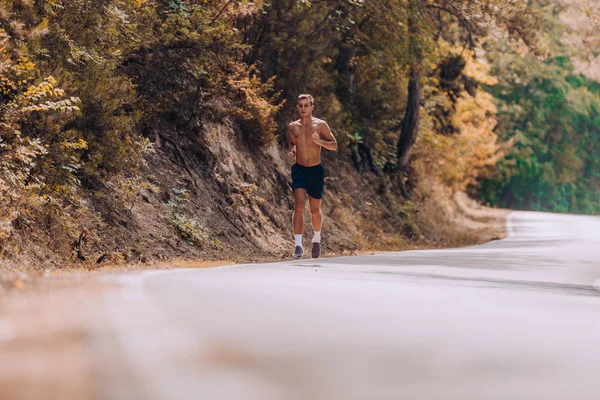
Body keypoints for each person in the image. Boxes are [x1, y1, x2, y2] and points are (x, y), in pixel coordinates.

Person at [288, 94, 338, 259]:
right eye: (300, 106)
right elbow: (292, 142)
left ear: (312, 107)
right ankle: (298, 245)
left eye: (306, 105)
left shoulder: (320, 125)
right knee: (299, 206)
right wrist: (292, 150)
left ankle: (316, 239)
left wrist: (320, 142)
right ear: (297, 107)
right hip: (299, 170)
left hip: (315, 171)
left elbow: (334, 145)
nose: (303, 109)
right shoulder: (293, 127)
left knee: (315, 210)